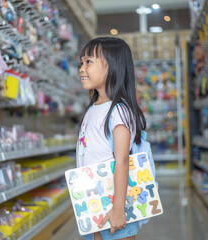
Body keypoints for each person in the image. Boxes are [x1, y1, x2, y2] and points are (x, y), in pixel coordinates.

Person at [76, 37, 147, 240]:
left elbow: (122, 161)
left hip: (115, 207)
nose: (82, 68)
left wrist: (118, 209)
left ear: (113, 66)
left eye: (89, 62)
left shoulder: (119, 111)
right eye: (81, 62)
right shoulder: (92, 108)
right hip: (93, 206)